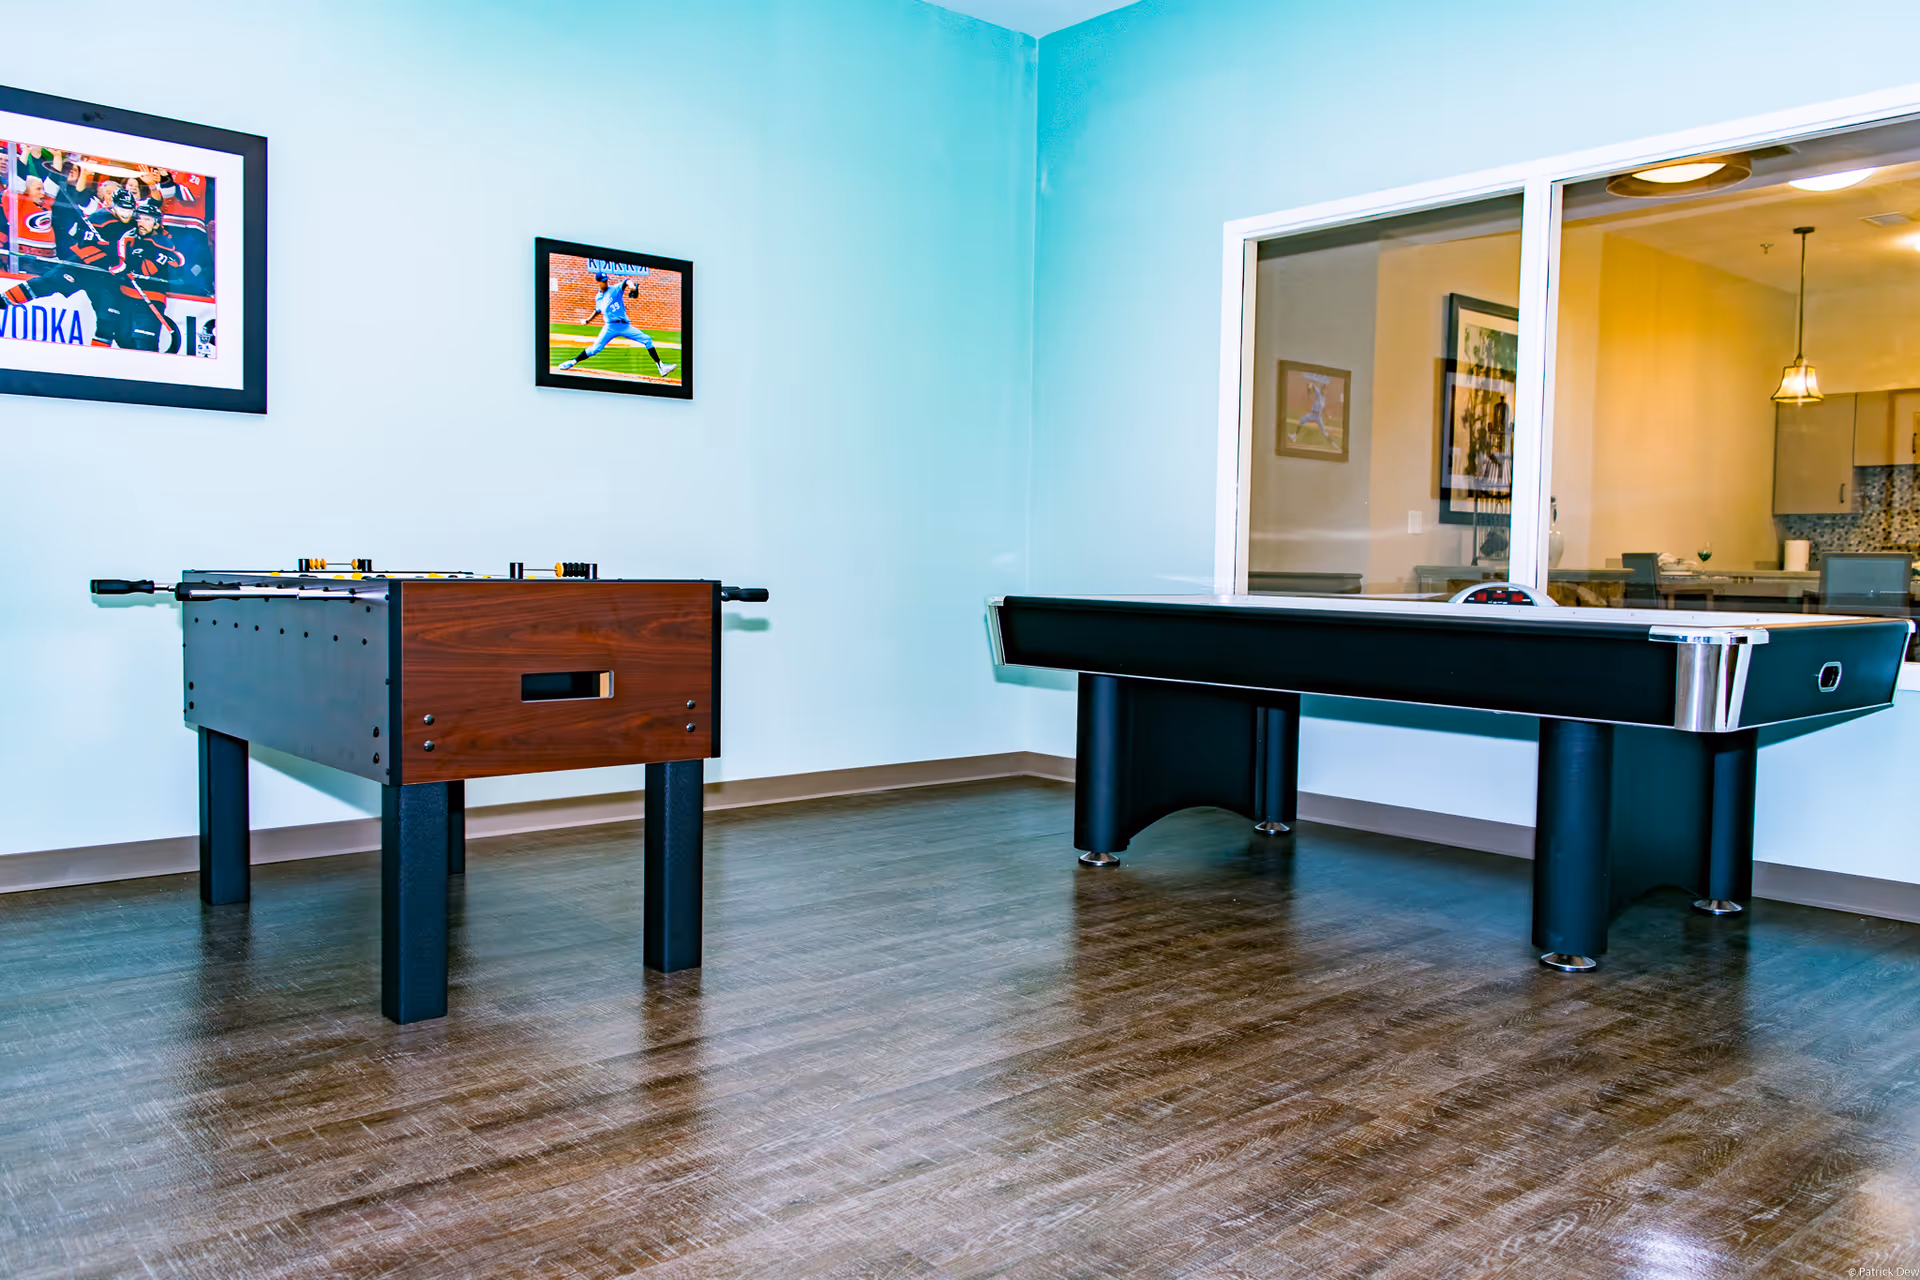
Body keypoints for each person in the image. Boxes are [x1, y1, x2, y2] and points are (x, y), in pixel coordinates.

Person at [557, 272, 676, 376]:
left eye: (606, 280)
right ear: (598, 282)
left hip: (624, 326)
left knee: (647, 339)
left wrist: (632, 287)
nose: (605, 283)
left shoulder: (614, 289)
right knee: (595, 349)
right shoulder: (598, 297)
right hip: (610, 327)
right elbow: (598, 310)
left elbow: (626, 281)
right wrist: (588, 320)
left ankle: (661, 367)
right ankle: (573, 361)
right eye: (603, 281)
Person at [107, 198, 185, 351]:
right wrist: (118, 268)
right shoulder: (128, 237)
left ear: (156, 223)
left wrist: (163, 257)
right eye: (139, 218)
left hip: (151, 297)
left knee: (145, 343)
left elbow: (178, 261)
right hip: (126, 297)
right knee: (123, 339)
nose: (141, 222)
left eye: (147, 219)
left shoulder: (163, 240)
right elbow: (119, 263)